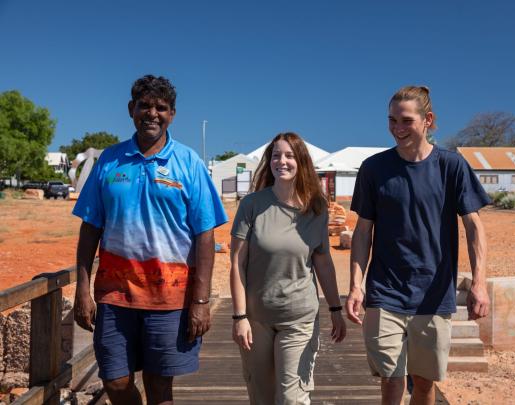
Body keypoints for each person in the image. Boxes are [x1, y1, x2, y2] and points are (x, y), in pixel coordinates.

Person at [73, 75, 227, 405]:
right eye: (145, 106)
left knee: (160, 388)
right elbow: (90, 229)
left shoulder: (188, 163)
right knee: (115, 382)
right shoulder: (109, 161)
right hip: (115, 297)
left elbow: (205, 234)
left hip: (170, 300)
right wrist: (82, 290)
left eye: (161, 107)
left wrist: (200, 302)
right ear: (131, 109)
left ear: (172, 114)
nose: (152, 113)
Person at [345, 86, 491, 405]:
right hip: (385, 291)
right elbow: (362, 232)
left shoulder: (451, 167)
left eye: (406, 120)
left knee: (424, 384)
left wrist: (479, 284)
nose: (397, 128)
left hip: (434, 294)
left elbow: (474, 226)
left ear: (428, 120)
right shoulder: (374, 169)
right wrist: (356, 286)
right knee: (391, 382)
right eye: (392, 120)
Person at [229, 132, 347, 405]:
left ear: (301, 161)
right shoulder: (252, 205)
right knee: (262, 397)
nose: (282, 161)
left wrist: (335, 309)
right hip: (256, 319)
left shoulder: (316, 209)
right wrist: (239, 317)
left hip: (299, 319)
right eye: (276, 155)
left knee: (291, 400)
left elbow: (323, 262)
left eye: (289, 155)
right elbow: (237, 263)